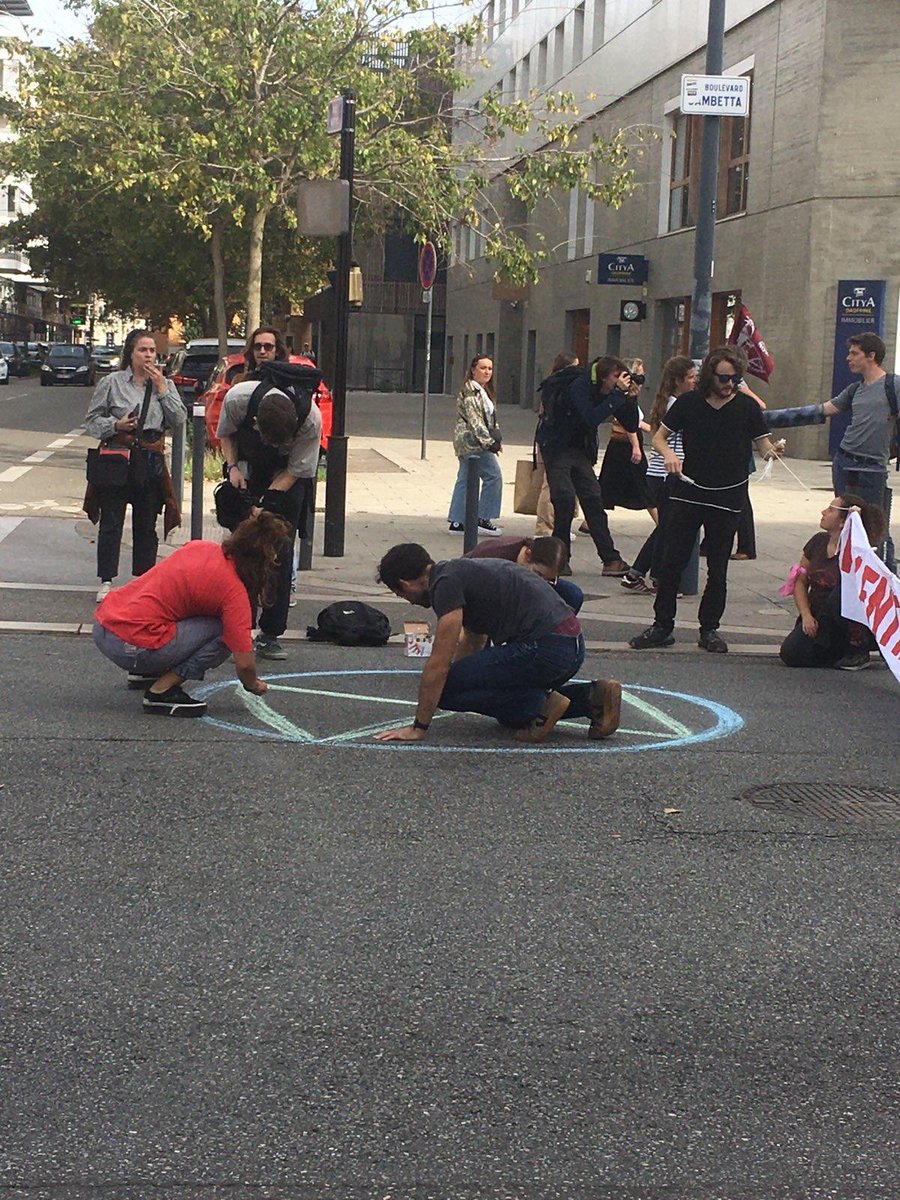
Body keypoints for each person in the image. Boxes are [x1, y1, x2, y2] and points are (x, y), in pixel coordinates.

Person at [373, 543, 622, 743]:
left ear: (405, 584)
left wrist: (419, 726)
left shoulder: (444, 585)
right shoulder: (462, 571)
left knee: (445, 690)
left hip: (545, 649)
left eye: (401, 595)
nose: (408, 601)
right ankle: (591, 697)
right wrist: (465, 679)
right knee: (509, 715)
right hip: (571, 647)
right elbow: (473, 639)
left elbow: (439, 665)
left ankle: (539, 705)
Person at [629, 346, 784, 653]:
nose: (729, 384)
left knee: (718, 567)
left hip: (727, 495)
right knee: (671, 561)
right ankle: (662, 626)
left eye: (734, 378)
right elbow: (659, 437)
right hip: (689, 490)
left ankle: (709, 629)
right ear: (710, 375)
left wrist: (773, 452)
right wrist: (670, 454)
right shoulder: (689, 403)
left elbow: (763, 445)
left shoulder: (746, 408)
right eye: (723, 377)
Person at [92, 511, 288, 716]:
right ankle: (161, 691)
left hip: (105, 623)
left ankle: (147, 671)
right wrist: (254, 685)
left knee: (184, 609)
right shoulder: (233, 592)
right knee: (224, 631)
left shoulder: (200, 547)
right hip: (131, 644)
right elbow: (245, 665)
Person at [216, 340, 322, 660]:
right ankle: (238, 625)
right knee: (241, 551)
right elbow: (226, 436)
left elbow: (295, 471)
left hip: (287, 478)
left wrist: (266, 503)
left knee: (280, 552)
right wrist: (233, 468)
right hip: (247, 469)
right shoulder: (238, 399)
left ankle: (271, 633)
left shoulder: (310, 420)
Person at [83, 328, 186, 602]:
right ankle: (106, 579)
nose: (149, 355)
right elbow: (91, 421)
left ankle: (144, 579)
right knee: (111, 522)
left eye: (153, 350)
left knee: (146, 523)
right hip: (118, 456)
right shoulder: (112, 383)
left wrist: (163, 389)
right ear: (130, 353)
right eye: (143, 350)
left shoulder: (165, 385)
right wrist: (115, 425)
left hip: (149, 459)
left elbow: (178, 419)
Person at [536, 354, 632, 576]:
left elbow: (631, 423)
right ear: (603, 376)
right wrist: (616, 395)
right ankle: (559, 560)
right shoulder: (579, 386)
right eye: (616, 376)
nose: (619, 381)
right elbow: (590, 417)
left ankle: (610, 560)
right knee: (564, 500)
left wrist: (629, 398)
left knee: (593, 500)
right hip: (557, 446)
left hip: (578, 449)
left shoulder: (609, 391)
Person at [779, 494, 885, 671]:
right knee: (791, 653)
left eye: (830, 510)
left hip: (845, 617)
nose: (823, 512)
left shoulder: (859, 549)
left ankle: (858, 648)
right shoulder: (817, 541)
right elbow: (800, 581)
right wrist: (806, 615)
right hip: (819, 615)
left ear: (843, 521)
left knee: (839, 595)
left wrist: (855, 526)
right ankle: (835, 651)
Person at [622, 356, 699, 596]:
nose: (695, 381)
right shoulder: (677, 405)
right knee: (670, 529)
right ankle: (659, 579)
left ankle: (635, 573)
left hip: (661, 473)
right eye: (691, 377)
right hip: (669, 473)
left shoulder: (668, 401)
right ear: (678, 381)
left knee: (666, 526)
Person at [821, 333, 898, 570]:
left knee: (875, 526)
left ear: (871, 356)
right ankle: (847, 573)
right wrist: (763, 419)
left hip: (872, 467)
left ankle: (887, 580)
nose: (848, 358)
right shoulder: (855, 389)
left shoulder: (892, 385)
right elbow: (823, 410)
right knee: (845, 521)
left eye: (854, 353)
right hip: (844, 462)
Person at [447, 355, 503, 536]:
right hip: (473, 442)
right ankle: (482, 518)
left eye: (490, 369)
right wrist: (490, 443)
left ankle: (457, 522)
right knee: (493, 477)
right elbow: (475, 421)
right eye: (483, 368)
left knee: (464, 479)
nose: (487, 372)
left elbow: (489, 418)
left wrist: (496, 436)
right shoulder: (471, 391)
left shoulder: (482, 390)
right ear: (473, 370)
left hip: (468, 441)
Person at [597, 356, 656, 519]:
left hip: (618, 446)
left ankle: (590, 521)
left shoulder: (627, 397)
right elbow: (628, 425)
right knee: (644, 488)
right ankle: (662, 525)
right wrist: (636, 447)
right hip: (626, 445)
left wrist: (656, 431)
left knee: (607, 485)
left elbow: (636, 422)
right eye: (639, 376)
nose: (641, 381)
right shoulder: (623, 397)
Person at [466, 533, 583, 612]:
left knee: (573, 594)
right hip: (480, 596)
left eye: (548, 579)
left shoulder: (530, 561)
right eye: (538, 574)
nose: (541, 583)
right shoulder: (493, 560)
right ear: (528, 554)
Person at [534, 352, 580, 539]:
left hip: (557, 442)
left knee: (561, 485)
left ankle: (558, 524)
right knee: (550, 484)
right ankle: (545, 526)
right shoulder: (555, 387)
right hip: (553, 442)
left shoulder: (562, 387)